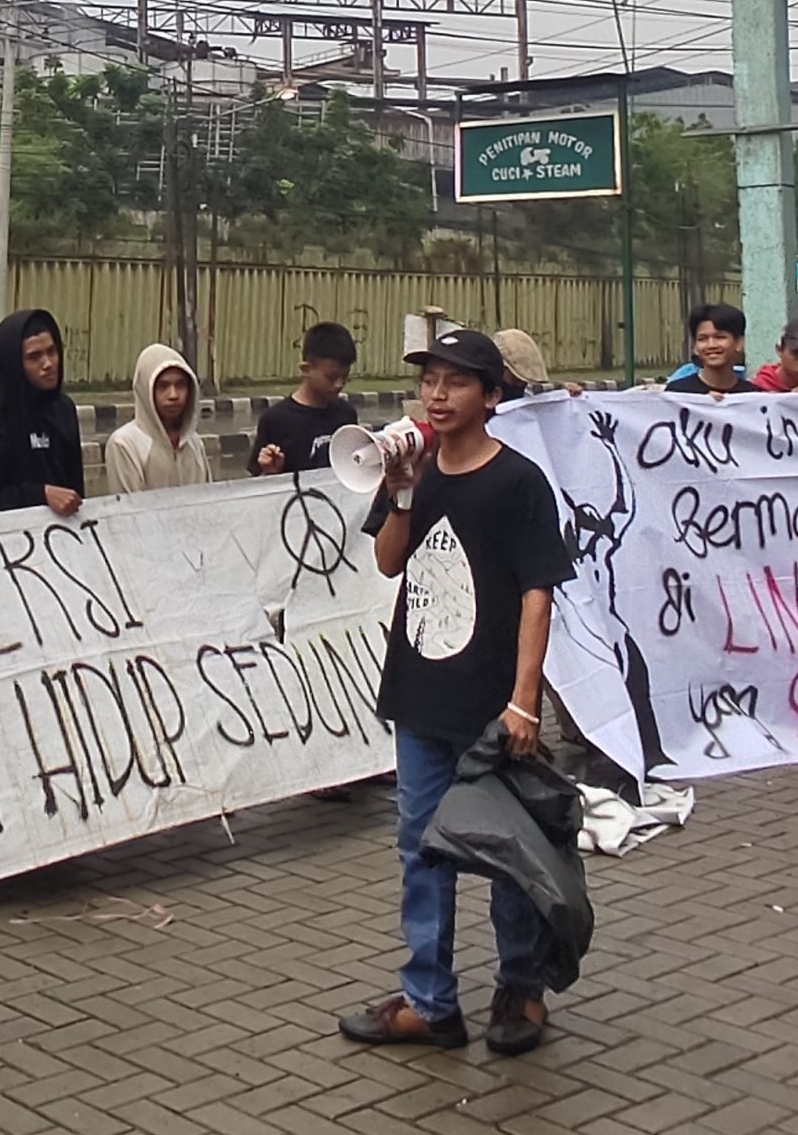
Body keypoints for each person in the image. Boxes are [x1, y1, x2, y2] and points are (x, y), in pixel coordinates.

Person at [339, 328, 572, 1058]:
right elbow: (386, 564)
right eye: (428, 381)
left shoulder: (519, 482)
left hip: (493, 704)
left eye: (455, 382)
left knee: (509, 853)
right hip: (420, 696)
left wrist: (524, 700)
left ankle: (519, 989)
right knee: (420, 849)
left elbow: (539, 594)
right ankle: (431, 1001)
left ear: (492, 395)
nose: (436, 396)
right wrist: (401, 494)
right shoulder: (415, 470)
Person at [0, 308, 87, 516]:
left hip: (66, 535)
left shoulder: (64, 409)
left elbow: (75, 485)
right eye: (34, 357)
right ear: (14, 364)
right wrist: (40, 494)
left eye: (52, 351)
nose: (48, 364)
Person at [251, 321, 358, 477]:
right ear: (305, 369)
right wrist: (270, 469)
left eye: (345, 377)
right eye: (331, 377)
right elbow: (258, 484)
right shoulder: (276, 420)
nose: (339, 384)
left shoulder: (346, 414)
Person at [106, 342, 212, 493]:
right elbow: (131, 509)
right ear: (146, 391)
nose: (173, 395)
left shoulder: (194, 444)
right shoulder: (125, 444)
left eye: (181, 385)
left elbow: (208, 501)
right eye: (163, 386)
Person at [665, 304, 761, 397]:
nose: (711, 345)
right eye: (702, 339)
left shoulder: (753, 396)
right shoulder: (677, 393)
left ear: (739, 343)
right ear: (694, 346)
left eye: (720, 337)